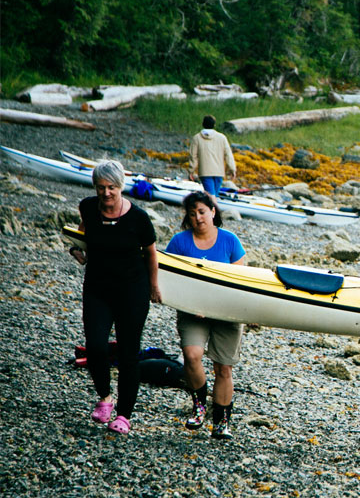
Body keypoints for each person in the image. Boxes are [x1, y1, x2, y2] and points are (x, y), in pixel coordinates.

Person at [69, 160, 161, 435]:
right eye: (101, 187)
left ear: (120, 186)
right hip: (97, 288)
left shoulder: (138, 219)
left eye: (111, 187)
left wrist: (154, 288)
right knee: (95, 347)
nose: (106, 193)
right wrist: (77, 248)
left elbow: (151, 254)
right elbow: (81, 231)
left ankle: (124, 416)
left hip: (132, 290)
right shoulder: (88, 206)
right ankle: (105, 398)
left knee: (128, 353)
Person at [166, 191, 247, 439]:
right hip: (193, 312)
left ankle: (221, 422)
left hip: (227, 313)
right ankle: (200, 405)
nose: (198, 218)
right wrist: (192, 303)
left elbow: (241, 280)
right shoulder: (180, 242)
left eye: (202, 212)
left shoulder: (230, 241)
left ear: (213, 212)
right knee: (192, 355)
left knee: (223, 368)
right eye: (192, 214)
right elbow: (168, 276)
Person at [190, 114, 236, 197]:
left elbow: (193, 156)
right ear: (214, 125)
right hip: (219, 172)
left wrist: (191, 170)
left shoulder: (196, 138)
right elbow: (228, 155)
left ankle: (214, 209)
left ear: (203, 124)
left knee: (211, 195)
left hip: (205, 171)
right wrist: (232, 169)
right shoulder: (222, 138)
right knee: (214, 195)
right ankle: (214, 208)